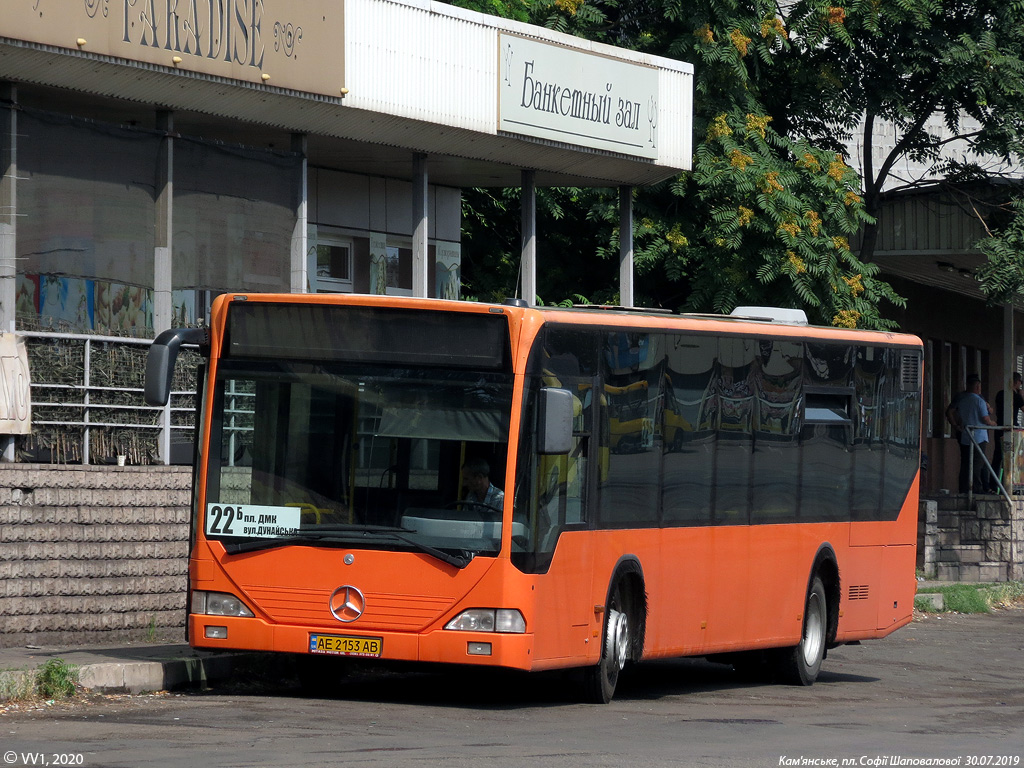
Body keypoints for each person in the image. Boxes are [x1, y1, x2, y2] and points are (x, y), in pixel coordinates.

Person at [946, 374, 996, 494]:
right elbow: (986, 419)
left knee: (966, 463)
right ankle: (977, 489)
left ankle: (964, 489)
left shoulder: (962, 399)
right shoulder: (979, 400)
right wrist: (993, 423)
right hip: (979, 437)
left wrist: (955, 426)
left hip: (965, 436)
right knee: (977, 464)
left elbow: (950, 412)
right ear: (978, 387)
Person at [992, 372, 1024, 489]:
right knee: (1012, 457)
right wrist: (1021, 396)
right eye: (1020, 382)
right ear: (1016, 382)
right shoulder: (1015, 396)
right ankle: (1009, 486)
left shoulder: (1000, 394)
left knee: (998, 456)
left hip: (999, 427)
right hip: (1011, 429)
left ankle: (993, 485)